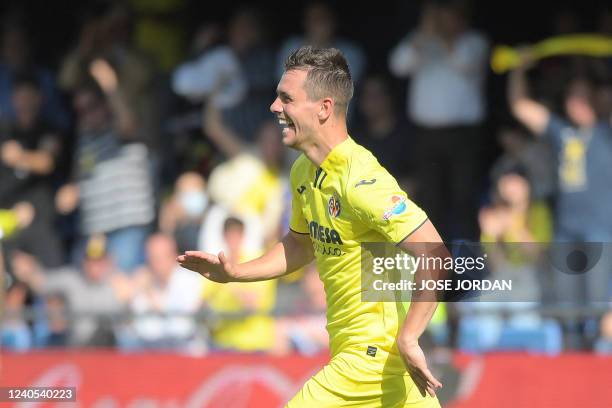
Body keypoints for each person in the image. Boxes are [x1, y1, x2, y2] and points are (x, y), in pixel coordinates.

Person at [179, 46, 446, 407]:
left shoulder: (360, 180)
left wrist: (410, 337)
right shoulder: (303, 171)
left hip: (370, 360)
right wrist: (235, 272)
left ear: (324, 108)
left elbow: (436, 253)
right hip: (374, 366)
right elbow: (301, 245)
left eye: (286, 98)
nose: (274, 107)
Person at [389, 0, 489, 241]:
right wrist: (422, 35)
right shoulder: (422, 40)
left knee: (463, 201)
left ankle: (469, 269)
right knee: (430, 203)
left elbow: (464, 63)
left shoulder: (474, 42)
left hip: (462, 135)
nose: (442, 23)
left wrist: (439, 38)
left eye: (448, 17)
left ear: (461, 18)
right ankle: (436, 271)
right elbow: (397, 65)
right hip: (426, 136)